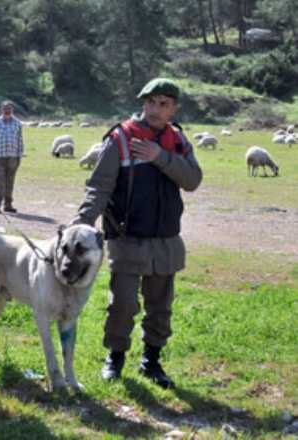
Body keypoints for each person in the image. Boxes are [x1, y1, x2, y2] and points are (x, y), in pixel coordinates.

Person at [72, 78, 202, 389]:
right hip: (127, 238)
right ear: (143, 103)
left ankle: (151, 361)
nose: (156, 110)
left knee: (160, 306)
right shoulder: (120, 138)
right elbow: (98, 187)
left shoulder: (178, 141)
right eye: (151, 102)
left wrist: (159, 156)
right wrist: (81, 225)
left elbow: (193, 180)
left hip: (166, 240)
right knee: (124, 305)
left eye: (164, 104)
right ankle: (115, 358)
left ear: (174, 108)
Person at [0, 100, 24, 213]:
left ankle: (8, 204)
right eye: (5, 109)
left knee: (10, 181)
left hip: (13, 156)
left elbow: (20, 139)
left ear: (12, 110)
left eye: (9, 109)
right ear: (1, 110)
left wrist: (20, 154)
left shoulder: (18, 123)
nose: (7, 111)